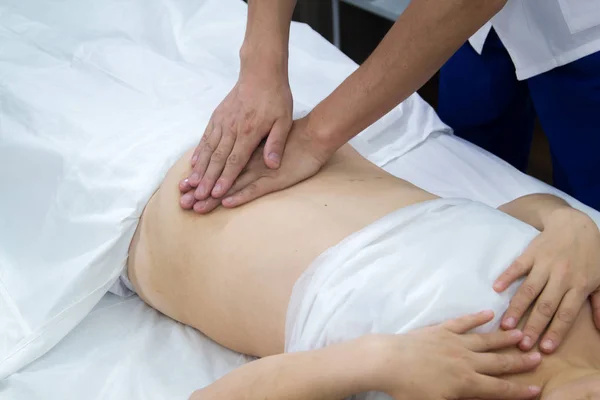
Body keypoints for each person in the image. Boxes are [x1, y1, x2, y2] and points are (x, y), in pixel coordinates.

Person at [178, 0, 600, 355]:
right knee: (477, 136)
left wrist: (316, 137)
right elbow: (496, 212)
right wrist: (260, 63)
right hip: (478, 31)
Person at [125, 133, 600, 399]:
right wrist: (567, 221)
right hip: (272, 135)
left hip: (139, 198)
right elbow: (519, 213)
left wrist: (377, 361)